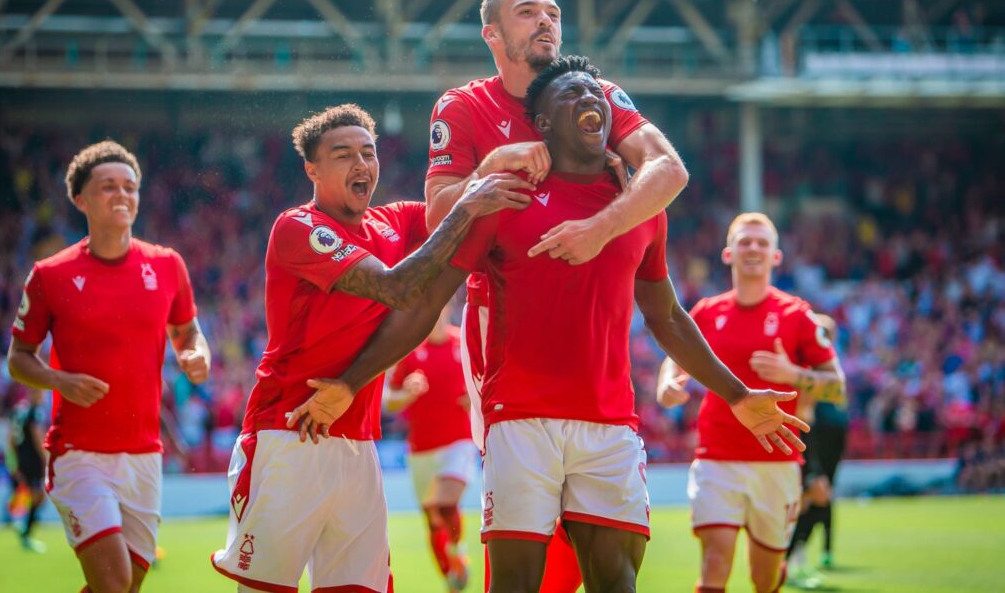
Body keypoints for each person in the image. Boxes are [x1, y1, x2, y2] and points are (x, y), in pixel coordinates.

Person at [288, 57, 809, 593]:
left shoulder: (641, 208)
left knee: (617, 583)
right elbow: (424, 306)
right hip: (520, 421)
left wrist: (739, 395)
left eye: (595, 91)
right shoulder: (502, 199)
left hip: (611, 425)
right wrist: (353, 383)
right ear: (540, 124)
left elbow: (668, 317)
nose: (591, 98)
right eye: (572, 94)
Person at [424, 0, 689, 591]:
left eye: (552, 12)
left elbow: (668, 170)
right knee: (523, 552)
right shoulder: (464, 107)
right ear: (492, 33)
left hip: (593, 333)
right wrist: (492, 165)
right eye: (526, 12)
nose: (546, 20)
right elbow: (437, 219)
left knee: (595, 558)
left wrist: (603, 225)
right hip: (505, 336)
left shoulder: (595, 91)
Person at [210, 104, 532, 592]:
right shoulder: (299, 228)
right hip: (289, 434)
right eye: (343, 155)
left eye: (369, 152)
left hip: (358, 443)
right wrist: (470, 203)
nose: (361, 164)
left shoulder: (396, 221)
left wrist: (508, 162)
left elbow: (463, 213)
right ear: (311, 169)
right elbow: (399, 286)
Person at [7, 139, 212, 593]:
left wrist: (197, 355)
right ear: (80, 199)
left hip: (144, 457)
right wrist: (59, 380)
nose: (122, 195)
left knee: (122, 587)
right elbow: (18, 359)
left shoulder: (167, 265)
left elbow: (189, 332)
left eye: (130, 186)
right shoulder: (50, 275)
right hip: (79, 455)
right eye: (107, 187)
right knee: (116, 583)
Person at [657, 213, 846, 593]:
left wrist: (792, 373)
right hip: (716, 457)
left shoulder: (798, 316)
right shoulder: (708, 311)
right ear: (729, 253)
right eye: (745, 241)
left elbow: (837, 388)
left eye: (762, 242)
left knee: (764, 578)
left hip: (776, 462)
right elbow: (673, 355)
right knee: (714, 565)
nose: (753, 248)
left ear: (776, 257)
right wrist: (667, 383)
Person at [385, 304, 477, 591]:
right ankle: (450, 574)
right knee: (432, 520)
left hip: (459, 442)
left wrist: (476, 397)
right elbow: (388, 401)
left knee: (447, 503)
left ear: (448, 308)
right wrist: (406, 394)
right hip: (422, 449)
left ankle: (457, 551)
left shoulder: (464, 343)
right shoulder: (411, 351)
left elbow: (490, 380)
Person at [785, 314, 848, 587]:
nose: (827, 336)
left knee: (813, 498)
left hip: (815, 438)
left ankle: (793, 561)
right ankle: (787, 562)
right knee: (809, 498)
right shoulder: (808, 365)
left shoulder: (820, 366)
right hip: (807, 437)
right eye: (824, 331)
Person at [6, 387, 48, 553]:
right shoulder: (35, 411)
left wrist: (14, 460)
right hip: (33, 460)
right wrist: (46, 458)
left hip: (22, 458)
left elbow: (11, 438)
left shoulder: (19, 410)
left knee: (29, 493)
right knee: (38, 496)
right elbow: (38, 437)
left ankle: (21, 526)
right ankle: (24, 531)